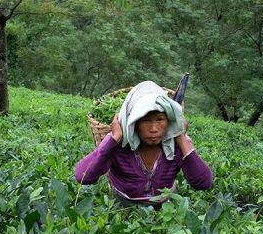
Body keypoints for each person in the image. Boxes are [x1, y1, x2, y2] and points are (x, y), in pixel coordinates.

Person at [75, 80, 212, 206]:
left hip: (164, 207)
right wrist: (114, 139)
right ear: (133, 122)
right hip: (124, 204)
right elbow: (83, 177)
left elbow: (204, 183)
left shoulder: (176, 144)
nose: (153, 129)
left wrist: (181, 137)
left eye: (160, 119)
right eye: (145, 120)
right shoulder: (119, 144)